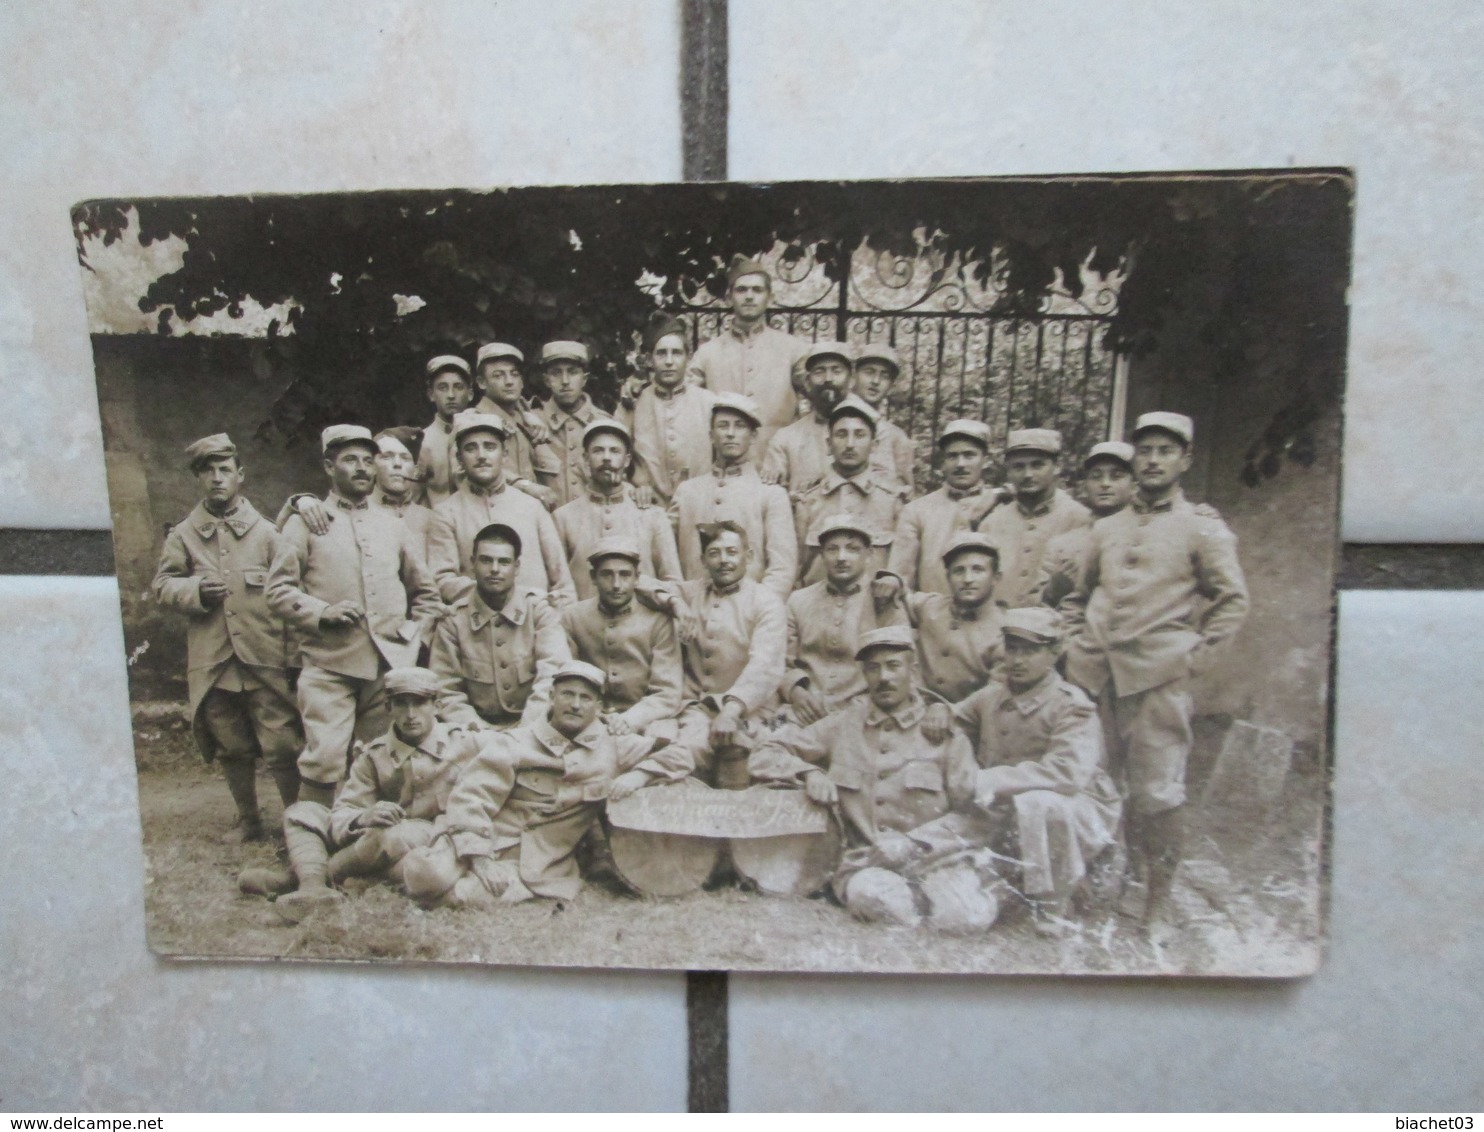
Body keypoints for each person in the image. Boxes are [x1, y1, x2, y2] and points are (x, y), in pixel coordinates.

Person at [1062, 411, 1249, 930]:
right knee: (1091, 784)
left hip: (1157, 679)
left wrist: (1192, 660)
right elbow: (1079, 597)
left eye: (1165, 451)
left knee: (1156, 795)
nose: (1152, 460)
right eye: (1144, 450)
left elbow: (1231, 600)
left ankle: (1156, 902)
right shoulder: (1106, 528)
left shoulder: (1202, 529)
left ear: (1184, 461)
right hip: (1095, 677)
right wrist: (1077, 643)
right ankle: (1094, 891)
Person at [750, 626, 997, 932]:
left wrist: (913, 842)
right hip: (869, 865)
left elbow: (973, 816)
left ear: (913, 670)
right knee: (872, 897)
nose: (884, 678)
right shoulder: (844, 724)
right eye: (873, 668)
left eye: (894, 666)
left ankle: (951, 899)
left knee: (966, 917)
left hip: (936, 861)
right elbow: (765, 751)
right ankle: (922, 911)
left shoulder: (943, 733)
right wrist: (808, 771)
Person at [401, 660, 693, 906]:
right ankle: (421, 861)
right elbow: (471, 797)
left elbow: (682, 754)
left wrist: (639, 774)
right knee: (426, 877)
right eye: (568, 694)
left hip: (540, 862)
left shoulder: (614, 745)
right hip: (484, 837)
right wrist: (479, 859)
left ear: (599, 706)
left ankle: (448, 881)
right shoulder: (516, 743)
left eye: (585, 698)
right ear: (552, 697)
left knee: (467, 896)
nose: (575, 705)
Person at [919, 608, 1123, 936]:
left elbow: (1067, 773)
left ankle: (1055, 906)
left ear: (1055, 653)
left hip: (1078, 812)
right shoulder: (993, 696)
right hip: (1008, 809)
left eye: (1031, 650)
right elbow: (955, 719)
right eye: (1012, 648)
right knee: (930, 843)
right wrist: (939, 710)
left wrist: (988, 780)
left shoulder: (1072, 705)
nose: (1018, 659)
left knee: (1041, 803)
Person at [266, 425, 442, 804]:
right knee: (325, 758)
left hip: (386, 668)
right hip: (329, 663)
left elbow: (426, 594)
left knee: (381, 757)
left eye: (368, 459)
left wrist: (411, 640)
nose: (362, 468)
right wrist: (321, 612)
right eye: (350, 460)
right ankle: (310, 838)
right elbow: (277, 590)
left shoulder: (393, 526)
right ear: (329, 467)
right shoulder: (307, 523)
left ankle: (368, 837)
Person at [241, 667, 487, 920]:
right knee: (301, 812)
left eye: (420, 703)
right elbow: (343, 812)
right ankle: (315, 887)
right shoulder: (374, 754)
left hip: (434, 845)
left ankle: (305, 880)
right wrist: (363, 817)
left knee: (393, 837)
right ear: (388, 708)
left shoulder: (467, 744)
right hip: (372, 842)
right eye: (401, 704)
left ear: (437, 706)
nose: (411, 714)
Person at [150, 433, 301, 841]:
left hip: (264, 654)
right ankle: (249, 820)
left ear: (240, 477)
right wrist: (194, 591)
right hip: (214, 658)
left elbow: (290, 593)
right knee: (231, 745)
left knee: (283, 744)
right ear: (199, 479)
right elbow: (163, 585)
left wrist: (292, 658)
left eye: (225, 470)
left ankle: (300, 822)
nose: (217, 479)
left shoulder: (268, 534)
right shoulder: (183, 534)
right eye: (208, 471)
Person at [669, 521, 787, 789]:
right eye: (714, 553)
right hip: (701, 709)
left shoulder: (766, 601)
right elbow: (648, 583)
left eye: (732, 552)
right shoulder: (693, 592)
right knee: (684, 757)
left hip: (755, 712)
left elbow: (765, 666)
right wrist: (675, 604)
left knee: (756, 760)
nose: (724, 561)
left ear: (749, 555)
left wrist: (732, 711)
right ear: (702, 560)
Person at [428, 523, 571, 731]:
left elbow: (554, 676)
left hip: (535, 729)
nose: (494, 569)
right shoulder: (453, 621)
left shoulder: (539, 612)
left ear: (517, 567)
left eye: (504, 562)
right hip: (475, 736)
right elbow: (446, 691)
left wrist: (525, 731)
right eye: (486, 560)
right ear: (472, 563)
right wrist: (482, 733)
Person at [427, 410, 575, 607]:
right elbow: (442, 579)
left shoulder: (532, 507)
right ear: (460, 459)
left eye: (490, 447)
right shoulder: (446, 512)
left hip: (534, 622)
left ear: (504, 455)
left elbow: (562, 582)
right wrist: (501, 596)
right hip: (476, 625)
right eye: (471, 448)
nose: (481, 456)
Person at [668, 392, 797, 602]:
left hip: (749, 616)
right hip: (694, 613)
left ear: (753, 436)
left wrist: (759, 610)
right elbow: (664, 559)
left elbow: (782, 568)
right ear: (711, 435)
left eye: (739, 426)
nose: (730, 433)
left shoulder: (770, 494)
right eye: (723, 426)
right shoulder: (687, 491)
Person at [781, 514, 905, 725]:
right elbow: (780, 661)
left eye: (852, 549)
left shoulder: (883, 599)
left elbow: (900, 666)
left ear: (869, 554)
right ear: (821, 555)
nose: (841, 557)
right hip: (805, 713)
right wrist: (795, 691)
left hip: (864, 715)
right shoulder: (798, 600)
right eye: (832, 549)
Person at [561, 537, 684, 737]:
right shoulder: (573, 617)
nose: (616, 584)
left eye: (625, 575)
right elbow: (566, 679)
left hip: (646, 720)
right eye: (607, 575)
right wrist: (595, 714)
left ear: (637, 578)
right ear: (593, 577)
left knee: (669, 750)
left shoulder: (658, 622)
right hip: (589, 718)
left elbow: (667, 693)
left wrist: (630, 719)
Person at [684, 257, 810, 453]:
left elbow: (819, 395)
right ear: (728, 298)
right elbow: (681, 399)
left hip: (777, 465)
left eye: (757, 290)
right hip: (722, 468)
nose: (749, 296)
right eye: (741, 290)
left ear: (769, 298)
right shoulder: (708, 353)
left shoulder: (793, 349)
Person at [553, 418, 683, 602]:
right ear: (585, 458)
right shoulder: (563, 517)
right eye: (598, 450)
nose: (606, 457)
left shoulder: (653, 515)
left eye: (614, 451)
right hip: (583, 626)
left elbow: (673, 583)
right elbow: (557, 585)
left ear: (627, 460)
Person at [874, 531, 1006, 703]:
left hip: (966, 721)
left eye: (978, 570)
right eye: (958, 571)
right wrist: (893, 580)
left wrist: (947, 711)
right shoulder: (930, 606)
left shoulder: (1004, 631)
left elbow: (994, 696)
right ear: (948, 577)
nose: (967, 579)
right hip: (914, 706)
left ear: (996, 577)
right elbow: (901, 595)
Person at [790, 395, 909, 585]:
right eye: (841, 434)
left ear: (874, 445)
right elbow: (796, 568)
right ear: (829, 445)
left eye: (860, 435)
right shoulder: (807, 501)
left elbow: (903, 570)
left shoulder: (893, 501)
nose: (850, 444)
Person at [887, 419, 1011, 598]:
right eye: (952, 456)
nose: (960, 464)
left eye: (969, 455)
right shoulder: (917, 511)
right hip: (933, 618)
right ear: (942, 462)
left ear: (986, 460)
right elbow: (900, 577)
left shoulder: (1003, 505)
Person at [979, 428, 1091, 609]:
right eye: (1018, 467)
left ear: (1057, 467)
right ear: (1008, 470)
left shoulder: (1080, 519)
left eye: (1037, 465)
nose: (1028, 475)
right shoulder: (991, 524)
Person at [623, 315, 716, 507]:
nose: (669, 361)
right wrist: (637, 484)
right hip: (647, 507)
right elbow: (616, 452)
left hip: (700, 507)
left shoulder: (709, 402)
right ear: (649, 359)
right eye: (661, 353)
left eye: (676, 353)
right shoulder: (634, 402)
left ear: (688, 358)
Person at [1036, 441, 1136, 609]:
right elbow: (1039, 609)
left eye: (1116, 476)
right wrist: (1055, 590)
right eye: (1096, 476)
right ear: (1085, 485)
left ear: (1134, 485)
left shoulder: (1144, 538)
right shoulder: (1061, 546)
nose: (1105, 484)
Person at [470, 341, 562, 508]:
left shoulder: (526, 418)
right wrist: (524, 485)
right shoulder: (472, 421)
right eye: (498, 375)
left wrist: (526, 411)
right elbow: (466, 471)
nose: (509, 381)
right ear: (482, 382)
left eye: (514, 374)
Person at [761, 340, 855, 493]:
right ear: (807, 382)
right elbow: (771, 498)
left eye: (836, 371)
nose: (828, 378)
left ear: (851, 381)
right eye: (819, 372)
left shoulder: (874, 433)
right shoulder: (786, 439)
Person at [538, 340, 613, 508]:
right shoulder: (533, 423)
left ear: (584, 379)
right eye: (556, 373)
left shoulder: (605, 424)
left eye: (572, 372)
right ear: (546, 380)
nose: (565, 381)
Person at [852, 343, 916, 491]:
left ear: (891, 384)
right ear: (854, 375)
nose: (876, 381)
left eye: (884, 376)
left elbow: (907, 492)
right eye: (869, 372)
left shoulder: (896, 437)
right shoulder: (834, 425)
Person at [416, 355, 476, 506]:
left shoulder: (483, 436)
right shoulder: (423, 442)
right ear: (431, 394)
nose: (451, 395)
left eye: (458, 387)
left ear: (470, 393)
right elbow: (411, 502)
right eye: (442, 388)